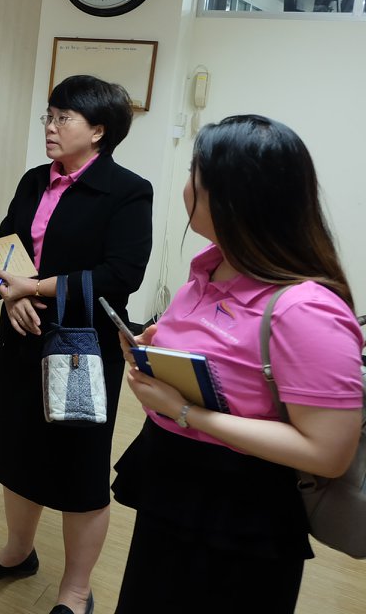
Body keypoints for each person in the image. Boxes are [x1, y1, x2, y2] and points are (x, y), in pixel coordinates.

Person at [111, 115, 362, 614]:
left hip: (238, 511)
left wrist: (186, 412)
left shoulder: (305, 310)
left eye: (195, 175)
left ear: (233, 199)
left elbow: (327, 453)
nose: (186, 187)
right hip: (171, 481)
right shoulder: (211, 266)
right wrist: (155, 354)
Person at [0, 75, 152, 614]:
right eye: (48, 116)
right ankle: (18, 551)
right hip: (21, 335)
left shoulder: (127, 190)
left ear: (98, 131)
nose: (50, 126)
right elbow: (3, 247)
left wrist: (35, 288)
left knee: (79, 467)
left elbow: (121, 275)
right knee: (16, 449)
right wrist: (10, 295)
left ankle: (76, 588)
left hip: (80, 348)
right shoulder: (34, 180)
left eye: (63, 118)